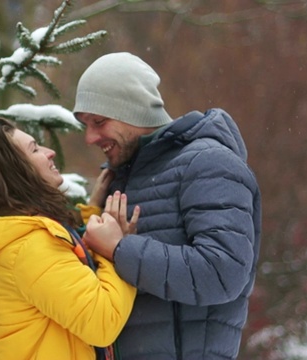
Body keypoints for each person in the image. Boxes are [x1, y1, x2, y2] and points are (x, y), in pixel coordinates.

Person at [73, 52, 262, 359]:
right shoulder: (120, 177)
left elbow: (223, 271)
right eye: (85, 124)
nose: (90, 137)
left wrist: (121, 250)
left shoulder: (208, 163)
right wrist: (91, 216)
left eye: (99, 121)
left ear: (132, 110)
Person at [0, 118, 137, 360]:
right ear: (13, 173)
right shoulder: (28, 247)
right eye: (35, 149)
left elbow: (61, 280)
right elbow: (102, 321)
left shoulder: (8, 237)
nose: (50, 152)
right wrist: (114, 251)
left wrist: (92, 215)